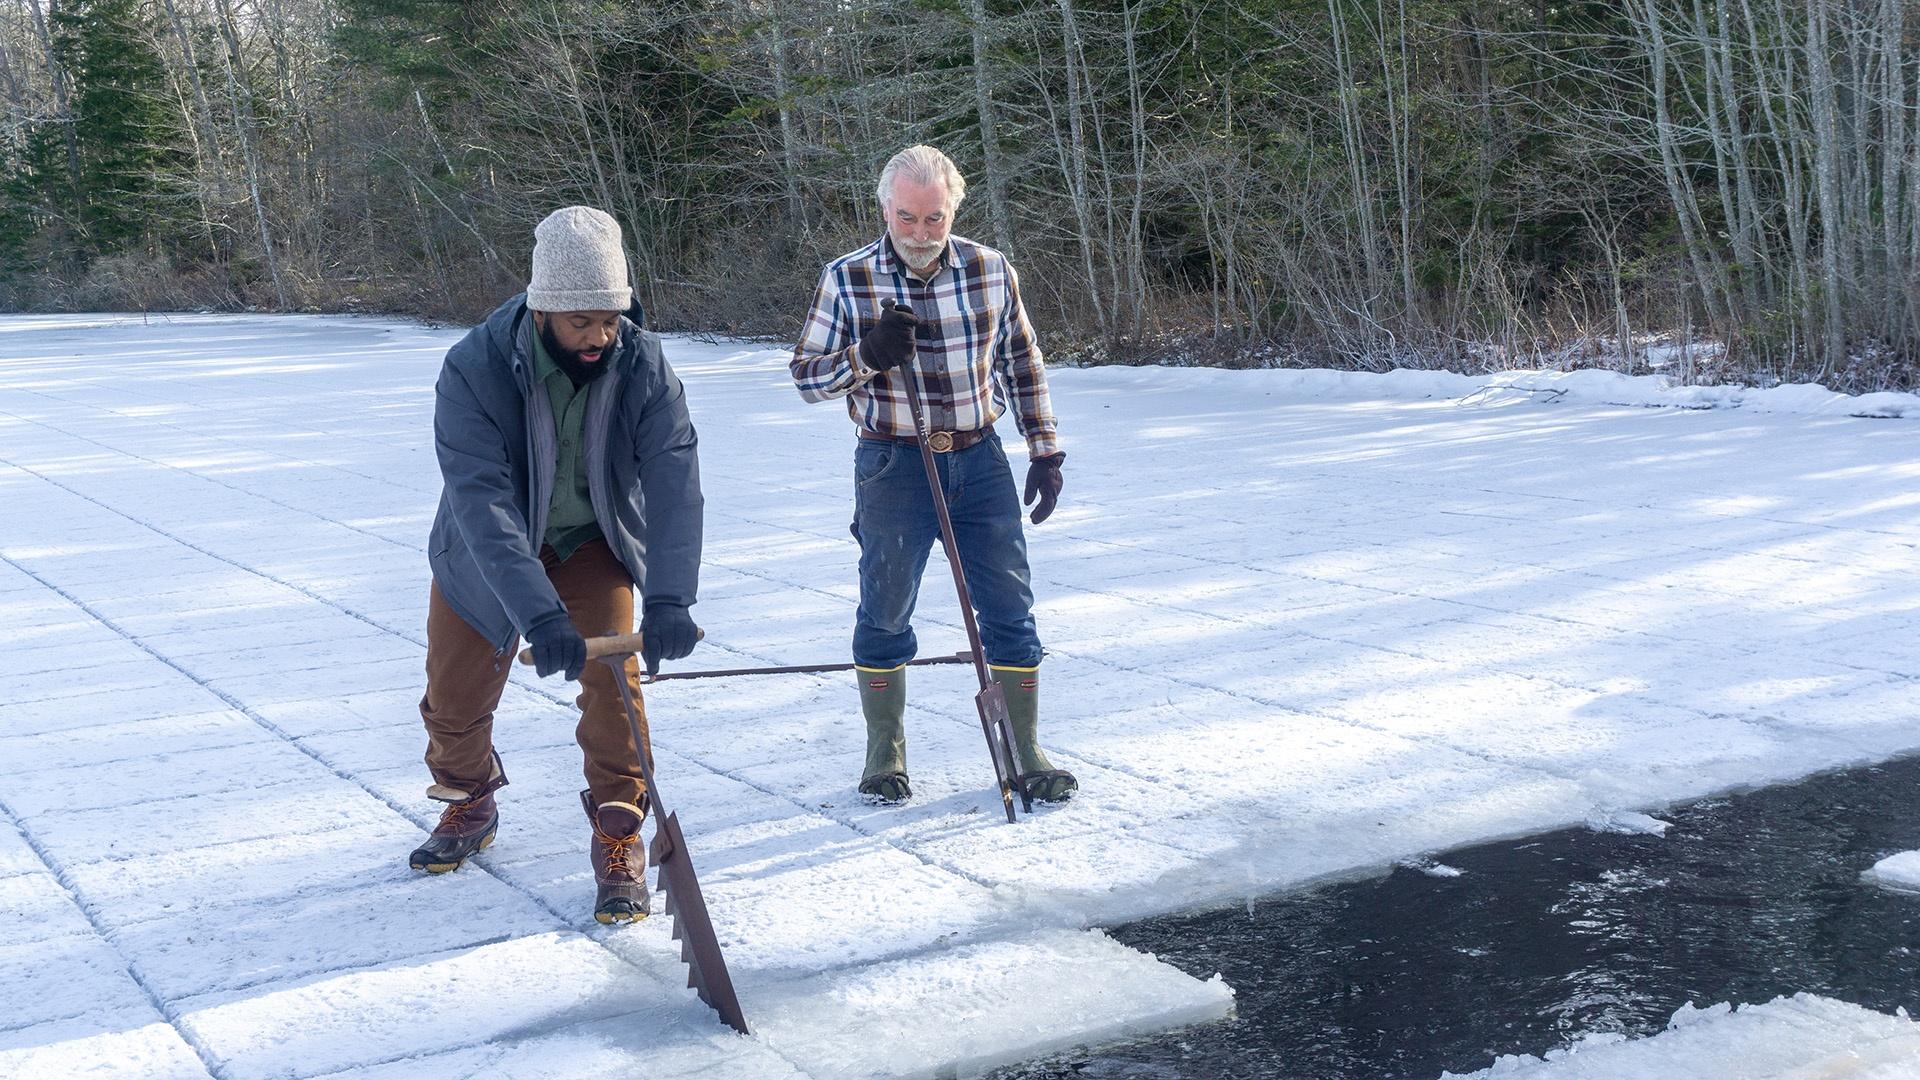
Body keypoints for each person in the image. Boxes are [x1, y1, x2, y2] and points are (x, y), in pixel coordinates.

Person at [407, 205, 703, 925]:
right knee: (455, 699)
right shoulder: (474, 368)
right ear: (543, 310)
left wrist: (669, 601)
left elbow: (675, 480)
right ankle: (468, 798)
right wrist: (539, 615)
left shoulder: (640, 360)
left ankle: (618, 831)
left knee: (614, 689)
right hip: (489, 550)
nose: (601, 337)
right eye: (583, 324)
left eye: (612, 319)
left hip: (593, 541)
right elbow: (482, 505)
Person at [790, 145, 1077, 806]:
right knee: (886, 608)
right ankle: (884, 752)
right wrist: (866, 354)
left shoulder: (988, 270)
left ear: (954, 210)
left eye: (934, 219)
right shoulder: (849, 278)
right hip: (893, 463)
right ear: (885, 208)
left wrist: (1044, 449)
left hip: (979, 459)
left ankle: (1024, 749)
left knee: (1009, 605)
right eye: (907, 218)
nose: (920, 234)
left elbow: (1021, 360)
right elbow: (806, 376)